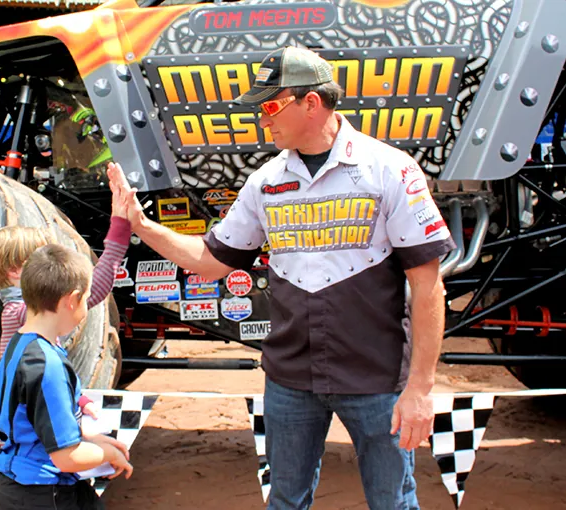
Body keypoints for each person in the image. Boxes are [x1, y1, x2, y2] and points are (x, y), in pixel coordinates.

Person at [108, 45, 455, 510]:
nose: (262, 119)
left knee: (393, 503)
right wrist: (141, 224)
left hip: (376, 379)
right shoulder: (265, 181)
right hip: (290, 379)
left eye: (270, 106)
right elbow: (211, 259)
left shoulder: (389, 169)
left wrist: (420, 389)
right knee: (285, 504)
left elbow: (429, 285)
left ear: (312, 103)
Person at [0, 243, 133, 510]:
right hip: (45, 494)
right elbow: (67, 458)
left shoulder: (19, 344)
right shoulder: (48, 366)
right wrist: (109, 453)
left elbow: (34, 425)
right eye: (86, 298)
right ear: (72, 299)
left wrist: (89, 440)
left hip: (19, 484)